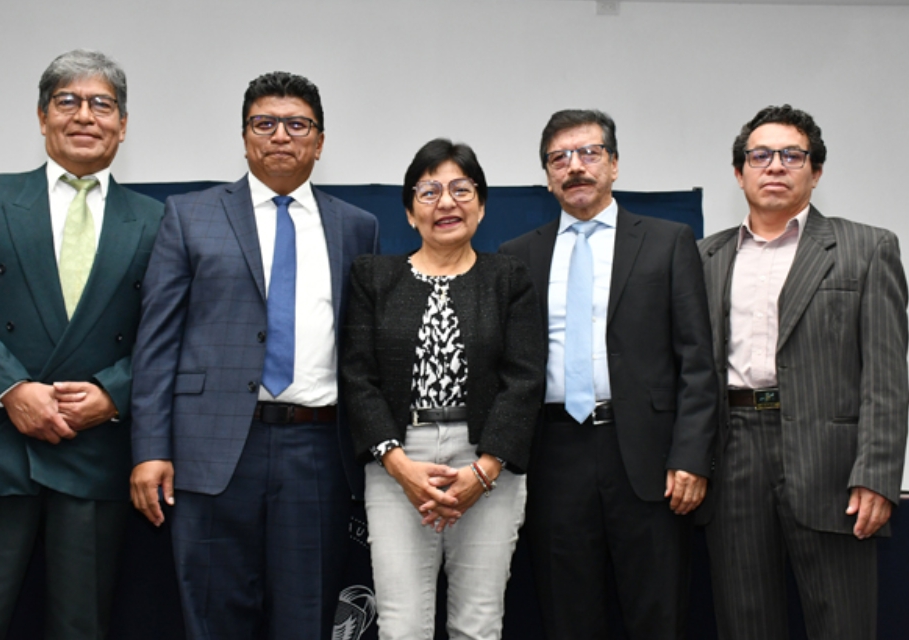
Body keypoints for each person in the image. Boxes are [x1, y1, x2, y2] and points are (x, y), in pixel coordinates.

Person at [129, 71, 380, 640]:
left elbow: (363, 348)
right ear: (244, 137)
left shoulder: (356, 228)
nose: (280, 136)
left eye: (297, 125)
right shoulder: (190, 215)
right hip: (210, 452)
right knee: (213, 616)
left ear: (320, 141)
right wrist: (150, 449)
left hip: (317, 450)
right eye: (264, 123)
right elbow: (157, 343)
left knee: (306, 617)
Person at [0, 50, 163, 639]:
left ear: (123, 125)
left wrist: (113, 394)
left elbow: (170, 332)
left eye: (102, 104)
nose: (85, 115)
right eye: (68, 101)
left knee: (81, 627)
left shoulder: (160, 220)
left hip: (95, 452)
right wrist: (12, 389)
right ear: (41, 117)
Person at [499, 109, 718, 639]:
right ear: (547, 175)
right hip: (554, 458)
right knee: (567, 617)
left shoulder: (667, 241)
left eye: (589, 153)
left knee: (656, 615)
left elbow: (697, 360)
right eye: (559, 158)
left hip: (648, 459)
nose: (574, 167)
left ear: (614, 164)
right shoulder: (517, 256)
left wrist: (691, 456)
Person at [698, 104, 908, 640]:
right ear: (739, 172)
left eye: (792, 155)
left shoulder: (867, 248)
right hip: (733, 455)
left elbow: (886, 377)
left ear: (815, 172)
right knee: (745, 622)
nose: (775, 166)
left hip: (832, 466)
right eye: (760, 156)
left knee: (843, 624)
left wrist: (877, 473)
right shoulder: (704, 257)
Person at [341, 138, 545, 640]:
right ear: (410, 212)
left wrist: (485, 469)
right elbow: (358, 377)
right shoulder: (373, 277)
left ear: (481, 205)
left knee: (478, 625)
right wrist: (398, 465)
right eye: (429, 192)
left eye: (461, 189)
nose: (446, 202)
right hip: (397, 461)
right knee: (402, 627)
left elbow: (524, 378)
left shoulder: (509, 277)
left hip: (487, 462)